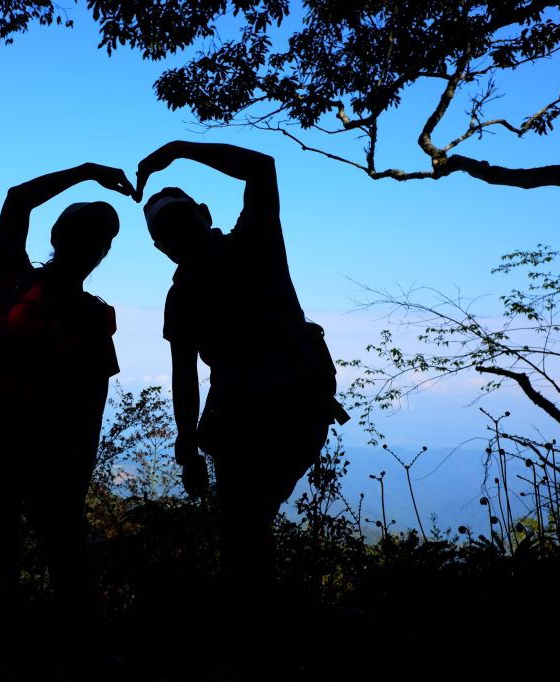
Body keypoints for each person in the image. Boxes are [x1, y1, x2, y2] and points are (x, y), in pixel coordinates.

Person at [135, 141, 345, 665]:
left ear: (202, 217)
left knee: (244, 527)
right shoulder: (217, 269)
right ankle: (256, 630)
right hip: (271, 410)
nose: (170, 240)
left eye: (173, 227)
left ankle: (251, 634)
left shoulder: (247, 247)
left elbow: (261, 167)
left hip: (276, 409)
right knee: (245, 529)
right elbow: (184, 375)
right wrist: (188, 443)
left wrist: (179, 149)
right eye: (163, 235)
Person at [0, 162, 133, 674]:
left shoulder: (89, 311)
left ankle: (69, 658)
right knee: (7, 574)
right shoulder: (15, 281)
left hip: (37, 461)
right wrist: (86, 171)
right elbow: (16, 201)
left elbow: (93, 404)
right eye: (89, 234)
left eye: (102, 240)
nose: (96, 246)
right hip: (3, 454)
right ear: (61, 238)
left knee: (58, 572)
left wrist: (78, 474)